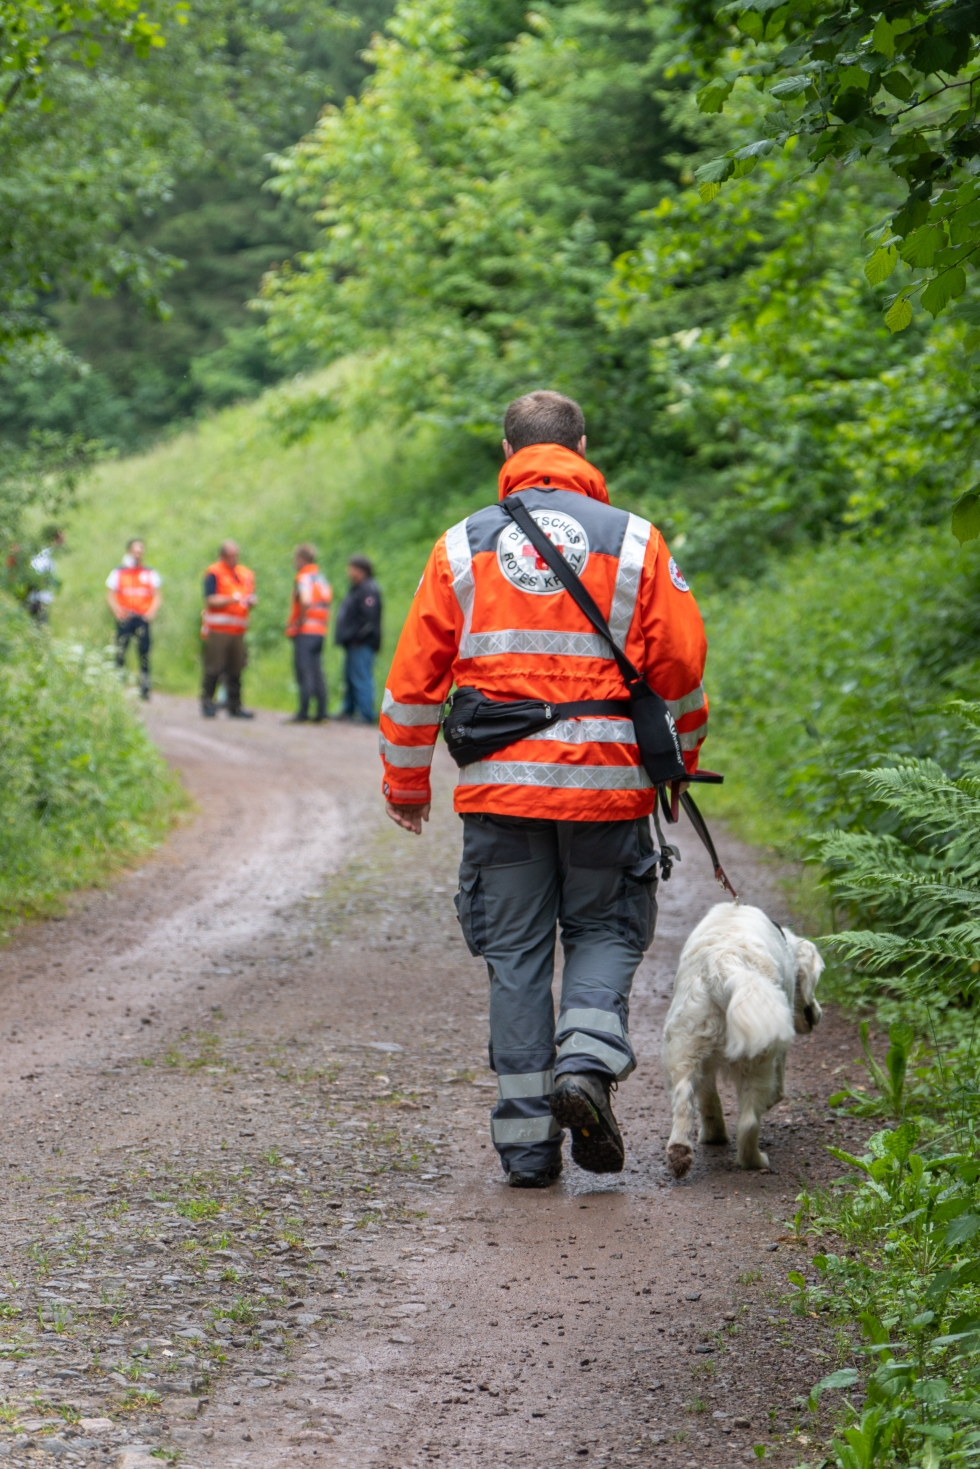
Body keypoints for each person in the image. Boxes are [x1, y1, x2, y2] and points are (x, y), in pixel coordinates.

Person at [379, 390, 709, 1189]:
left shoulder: (460, 546)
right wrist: (683, 760)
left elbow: (415, 678)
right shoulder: (634, 540)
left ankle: (528, 1149)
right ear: (583, 447)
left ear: (508, 452)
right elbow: (679, 666)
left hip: (500, 794)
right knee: (605, 929)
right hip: (606, 787)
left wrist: (407, 781)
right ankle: (586, 1066)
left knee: (516, 955)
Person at [201, 539, 256, 719]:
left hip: (238, 630)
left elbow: (248, 596)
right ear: (222, 556)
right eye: (230, 556)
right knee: (214, 667)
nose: (234, 559)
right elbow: (210, 599)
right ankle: (207, 703)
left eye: (236, 556)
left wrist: (250, 601)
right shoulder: (214, 573)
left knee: (236, 669)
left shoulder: (245, 574)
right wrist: (232, 599)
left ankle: (235, 707)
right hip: (219, 630)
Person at [106, 538, 162, 700]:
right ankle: (117, 685)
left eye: (140, 551)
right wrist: (117, 612)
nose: (137, 554)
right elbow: (110, 595)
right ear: (129, 551)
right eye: (135, 551)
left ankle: (144, 686)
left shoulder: (149, 573)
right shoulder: (119, 572)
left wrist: (151, 612)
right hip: (125, 618)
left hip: (141, 618)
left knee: (144, 652)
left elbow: (157, 595)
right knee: (120, 651)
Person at [284, 543, 332, 723]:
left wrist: (299, 622)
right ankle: (321, 712)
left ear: (301, 559)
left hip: (305, 631)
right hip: (320, 630)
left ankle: (303, 712)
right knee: (317, 670)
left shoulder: (303, 577)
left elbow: (305, 600)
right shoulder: (320, 578)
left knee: (304, 671)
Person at [334, 555, 381, 723]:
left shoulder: (368, 590)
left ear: (361, 571)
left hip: (362, 643)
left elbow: (369, 620)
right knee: (350, 677)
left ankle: (366, 713)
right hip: (353, 642)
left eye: (352, 568)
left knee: (361, 677)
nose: (349, 572)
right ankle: (348, 709)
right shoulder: (357, 589)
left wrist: (356, 637)